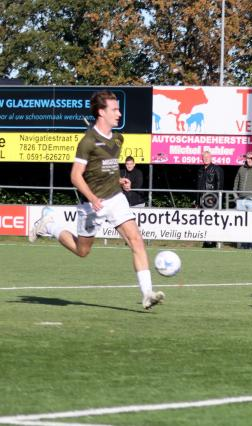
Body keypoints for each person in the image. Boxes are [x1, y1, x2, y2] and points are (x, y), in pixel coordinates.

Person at [28, 90, 164, 310]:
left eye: (119, 109)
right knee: (82, 251)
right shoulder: (88, 142)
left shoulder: (118, 139)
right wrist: (92, 198)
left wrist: (119, 180)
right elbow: (75, 176)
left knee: (136, 240)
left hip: (116, 198)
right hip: (92, 204)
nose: (119, 114)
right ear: (101, 112)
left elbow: (104, 168)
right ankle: (49, 225)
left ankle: (147, 293)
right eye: (115, 109)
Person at [197, 150, 224, 248]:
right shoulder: (200, 170)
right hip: (202, 200)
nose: (206, 159)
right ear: (202, 158)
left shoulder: (217, 169)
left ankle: (212, 241)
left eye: (207, 157)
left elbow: (219, 185)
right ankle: (206, 241)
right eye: (204, 157)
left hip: (211, 200)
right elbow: (198, 187)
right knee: (203, 221)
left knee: (211, 221)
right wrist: (197, 201)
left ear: (211, 158)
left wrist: (214, 198)